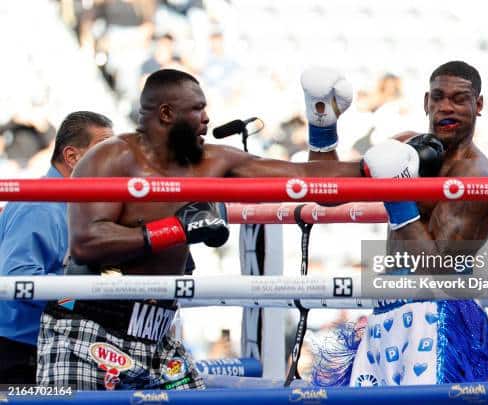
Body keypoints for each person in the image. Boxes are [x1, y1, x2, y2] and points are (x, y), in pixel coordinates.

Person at [37, 68, 360, 390]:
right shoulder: (111, 158)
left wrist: (343, 140)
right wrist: (176, 229)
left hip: (158, 334)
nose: (206, 119)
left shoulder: (213, 161)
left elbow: (308, 182)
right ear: (166, 113)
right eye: (197, 109)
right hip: (89, 328)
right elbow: (87, 242)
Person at [307, 61, 488, 386]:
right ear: (426, 102)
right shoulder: (405, 147)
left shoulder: (473, 173)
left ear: (478, 105)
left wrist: (396, 193)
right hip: (387, 313)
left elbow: (436, 266)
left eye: (459, 98)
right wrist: (322, 123)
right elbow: (327, 193)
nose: (446, 107)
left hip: (437, 321)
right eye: (438, 97)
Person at [0, 111, 113, 384]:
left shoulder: (71, 204)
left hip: (39, 346)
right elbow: (18, 280)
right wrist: (82, 295)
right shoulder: (41, 204)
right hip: (19, 351)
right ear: (72, 157)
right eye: (104, 151)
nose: (114, 162)